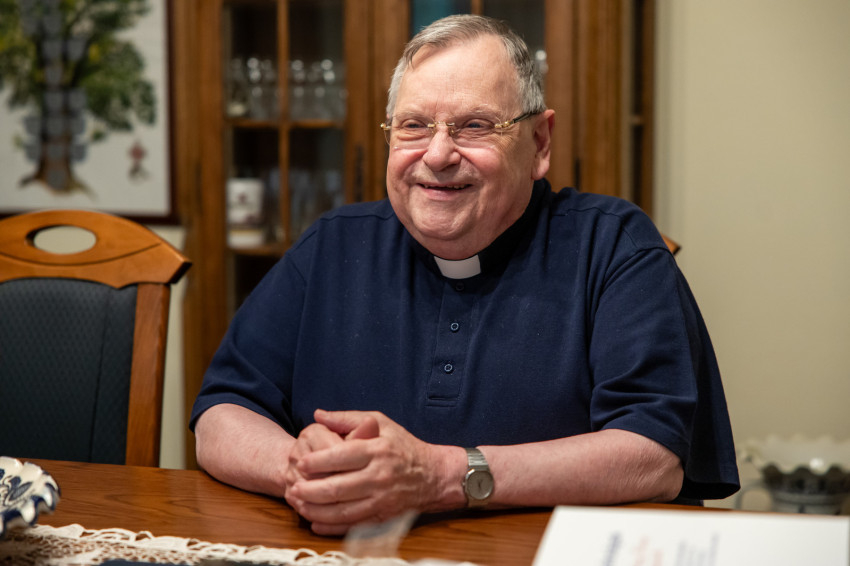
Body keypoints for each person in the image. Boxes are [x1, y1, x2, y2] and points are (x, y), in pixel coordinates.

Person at [190, 14, 739, 536]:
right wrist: (304, 470)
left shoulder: (614, 245)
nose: (437, 154)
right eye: (413, 126)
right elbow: (221, 412)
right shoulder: (333, 244)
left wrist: (440, 476)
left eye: (474, 126)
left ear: (539, 143)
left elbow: (653, 458)